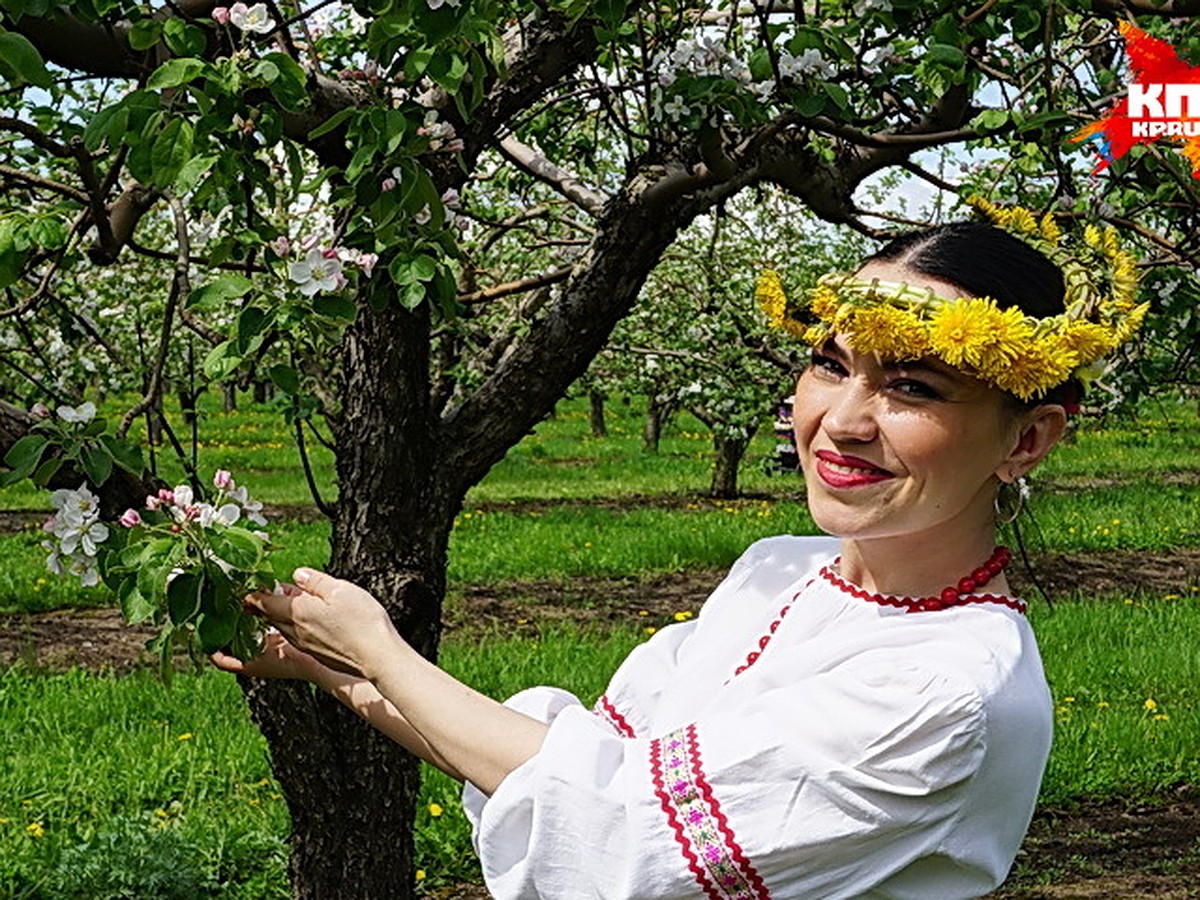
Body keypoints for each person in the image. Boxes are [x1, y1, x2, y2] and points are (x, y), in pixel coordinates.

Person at [212, 197, 1147, 898]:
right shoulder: (778, 570)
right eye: (829, 363)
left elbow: (621, 841)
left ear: (1026, 440)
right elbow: (572, 766)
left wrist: (381, 646)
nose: (842, 421)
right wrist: (341, 672)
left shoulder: (946, 692)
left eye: (913, 388)